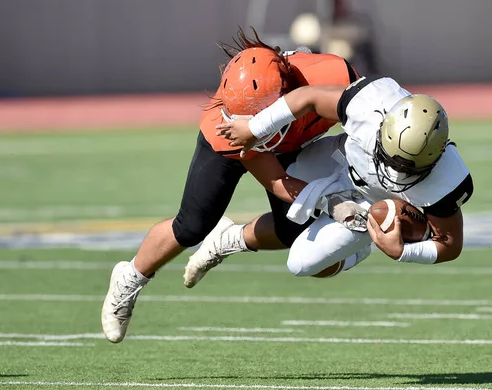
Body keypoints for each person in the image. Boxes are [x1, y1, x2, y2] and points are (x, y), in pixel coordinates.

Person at [101, 29, 361, 344]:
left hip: (292, 134)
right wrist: (332, 202)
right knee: (192, 227)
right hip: (235, 144)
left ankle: (228, 240)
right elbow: (279, 183)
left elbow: (364, 129)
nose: (250, 124)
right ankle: (129, 278)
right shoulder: (229, 125)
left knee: (292, 231)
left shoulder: (335, 78)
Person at [187, 76, 474, 282]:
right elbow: (307, 97)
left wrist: (402, 252)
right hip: (342, 161)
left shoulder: (446, 179)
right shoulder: (369, 104)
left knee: (300, 263)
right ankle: (231, 238)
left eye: (409, 168)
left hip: (374, 206)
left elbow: (449, 244)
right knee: (290, 175)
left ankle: (360, 247)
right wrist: (254, 128)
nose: (397, 171)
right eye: (392, 158)